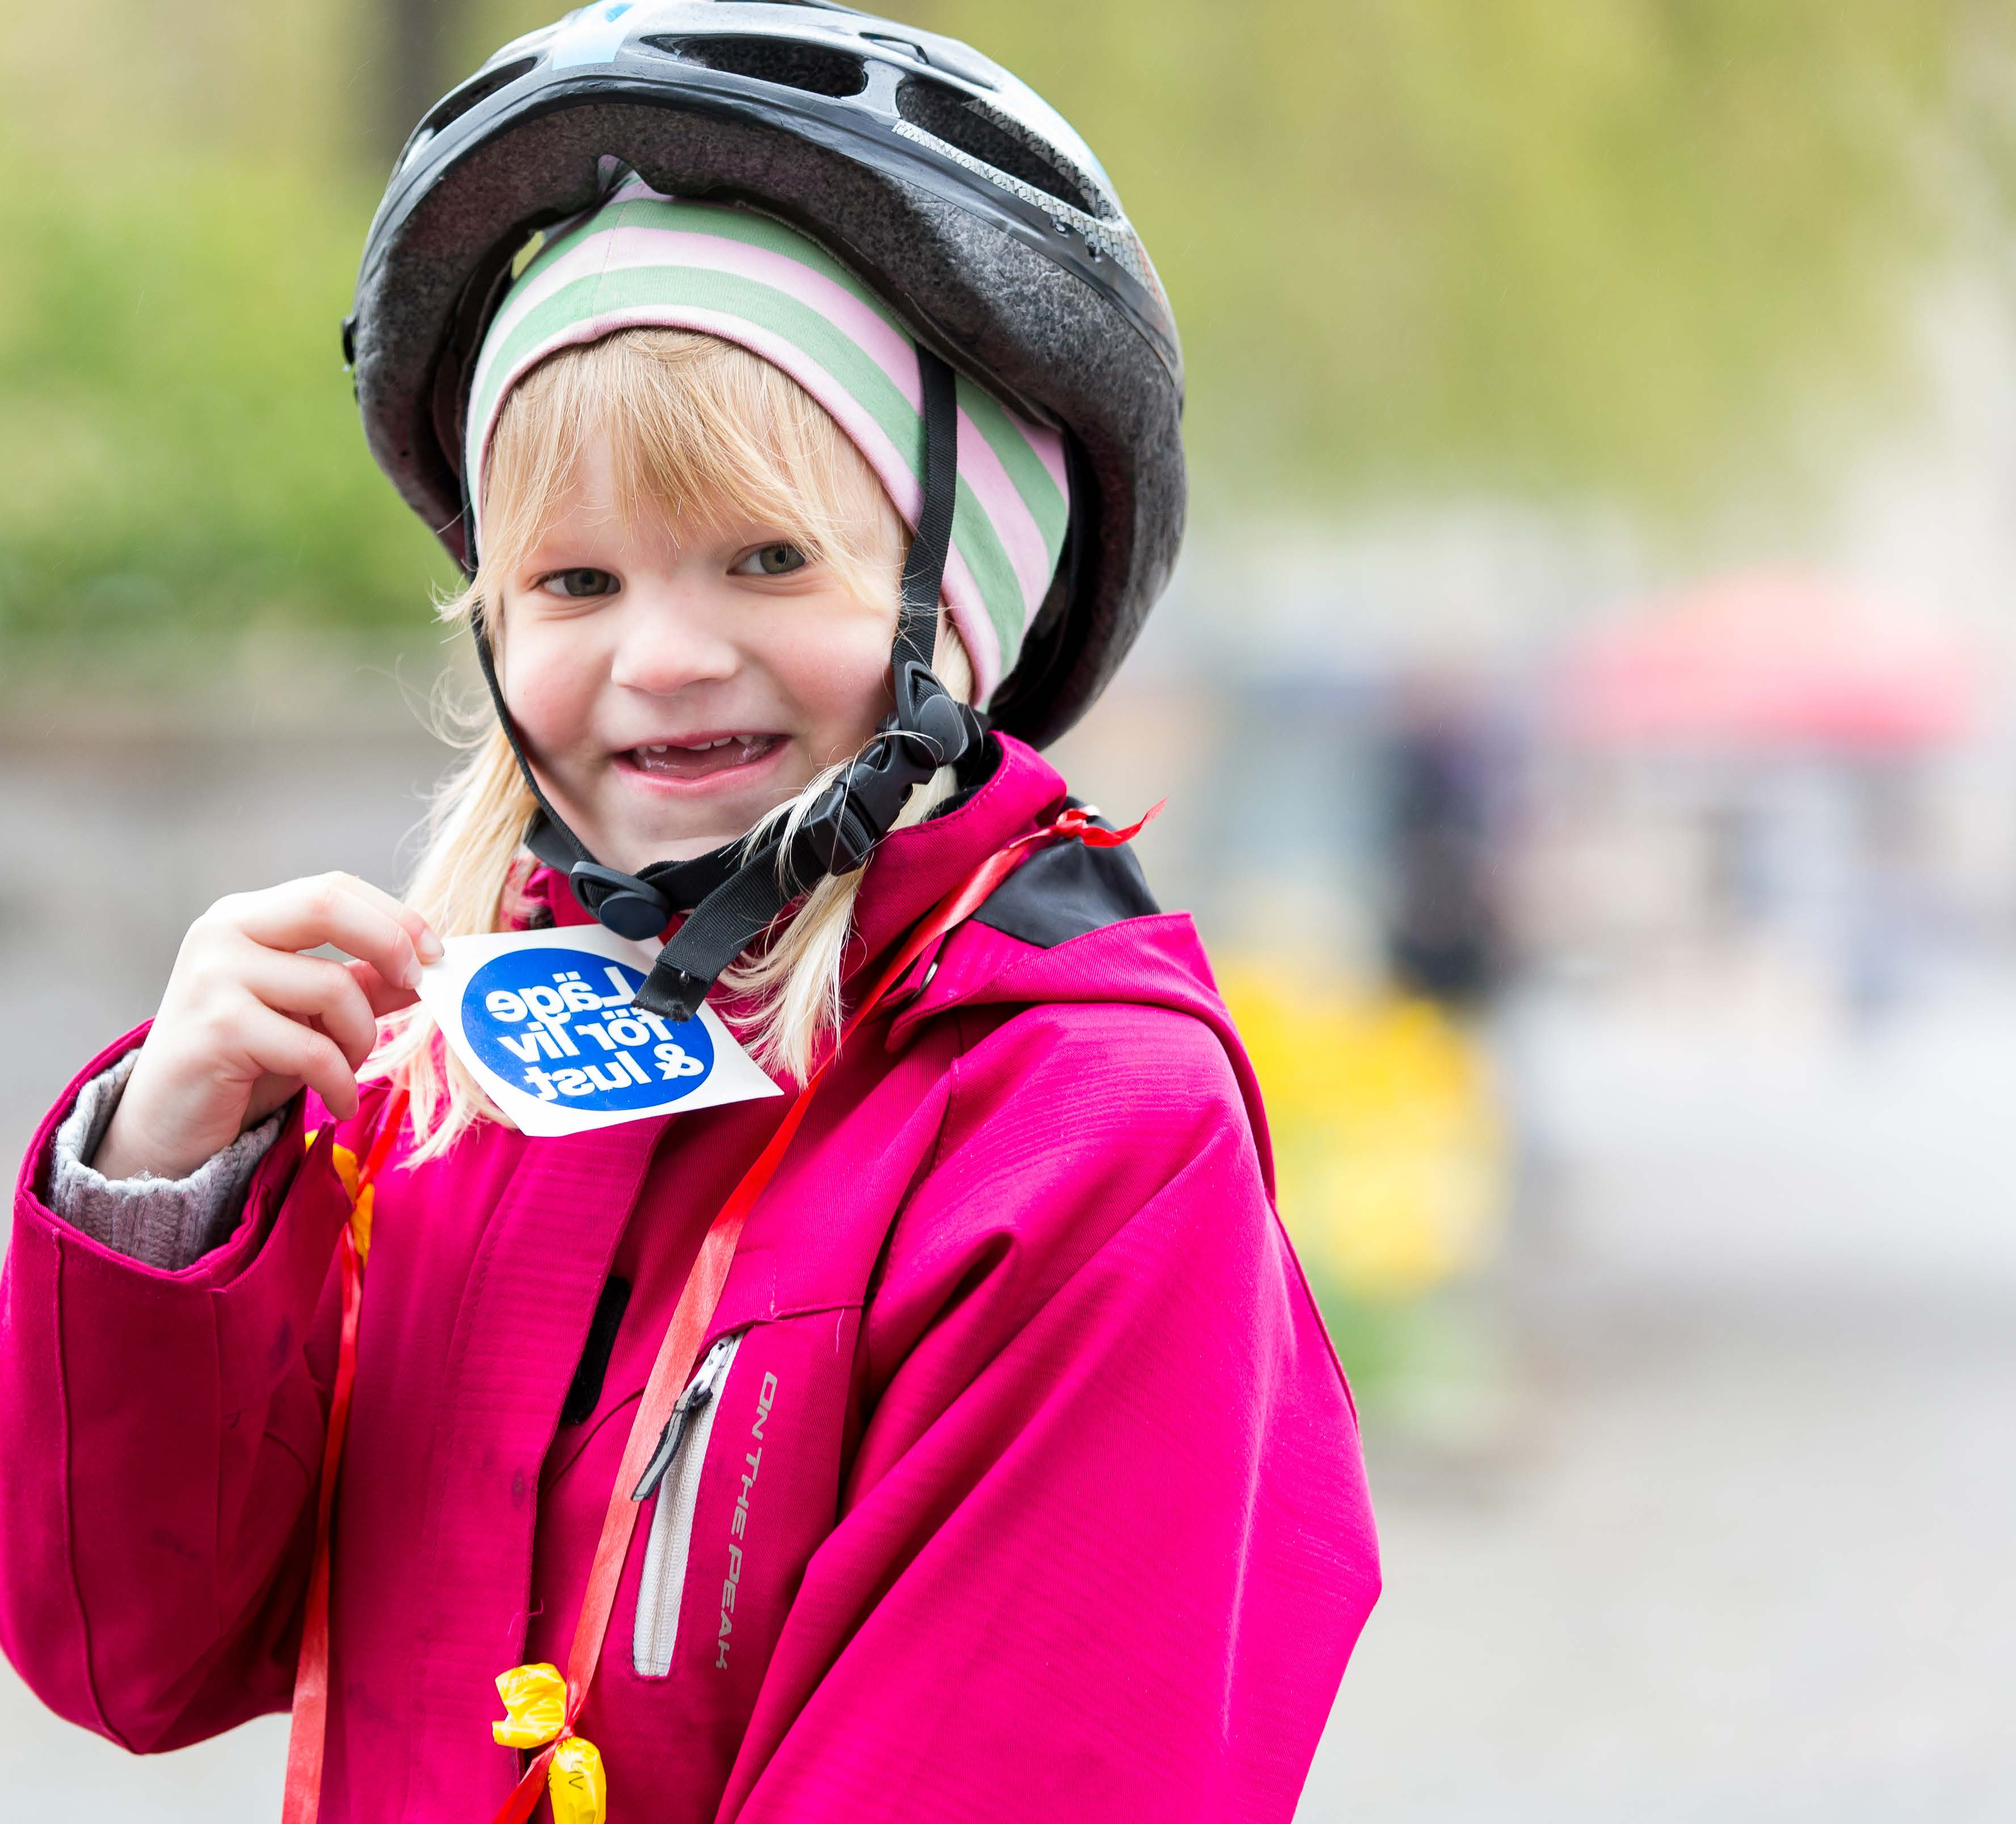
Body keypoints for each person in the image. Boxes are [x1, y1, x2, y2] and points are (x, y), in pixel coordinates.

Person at [0, 7, 1379, 1820]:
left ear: (958, 589)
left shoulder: (1090, 1144)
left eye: (768, 555)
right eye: (573, 577)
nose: (660, 655)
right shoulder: (459, 1063)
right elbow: (135, 1652)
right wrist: (165, 1187)